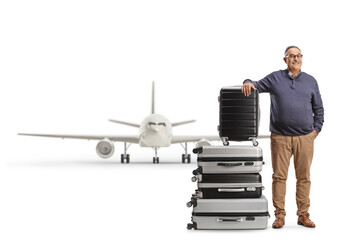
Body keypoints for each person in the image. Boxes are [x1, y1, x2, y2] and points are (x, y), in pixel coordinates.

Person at [241, 46, 324, 228]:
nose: (296, 58)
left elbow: (318, 109)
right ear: (285, 59)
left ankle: (303, 215)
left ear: (302, 58)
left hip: (305, 138)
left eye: (299, 55)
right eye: (292, 56)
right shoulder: (275, 78)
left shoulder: (311, 81)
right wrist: (247, 81)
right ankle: (280, 216)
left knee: (304, 178)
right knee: (279, 177)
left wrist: (315, 131)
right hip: (280, 137)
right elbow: (255, 84)